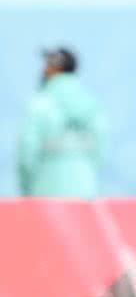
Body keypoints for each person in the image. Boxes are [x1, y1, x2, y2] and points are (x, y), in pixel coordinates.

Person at [17, 47, 107, 199]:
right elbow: (101, 150)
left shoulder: (41, 105)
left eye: (48, 66)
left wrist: (27, 191)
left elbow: (26, 152)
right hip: (85, 191)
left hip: (45, 191)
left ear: (53, 70)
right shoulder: (91, 104)